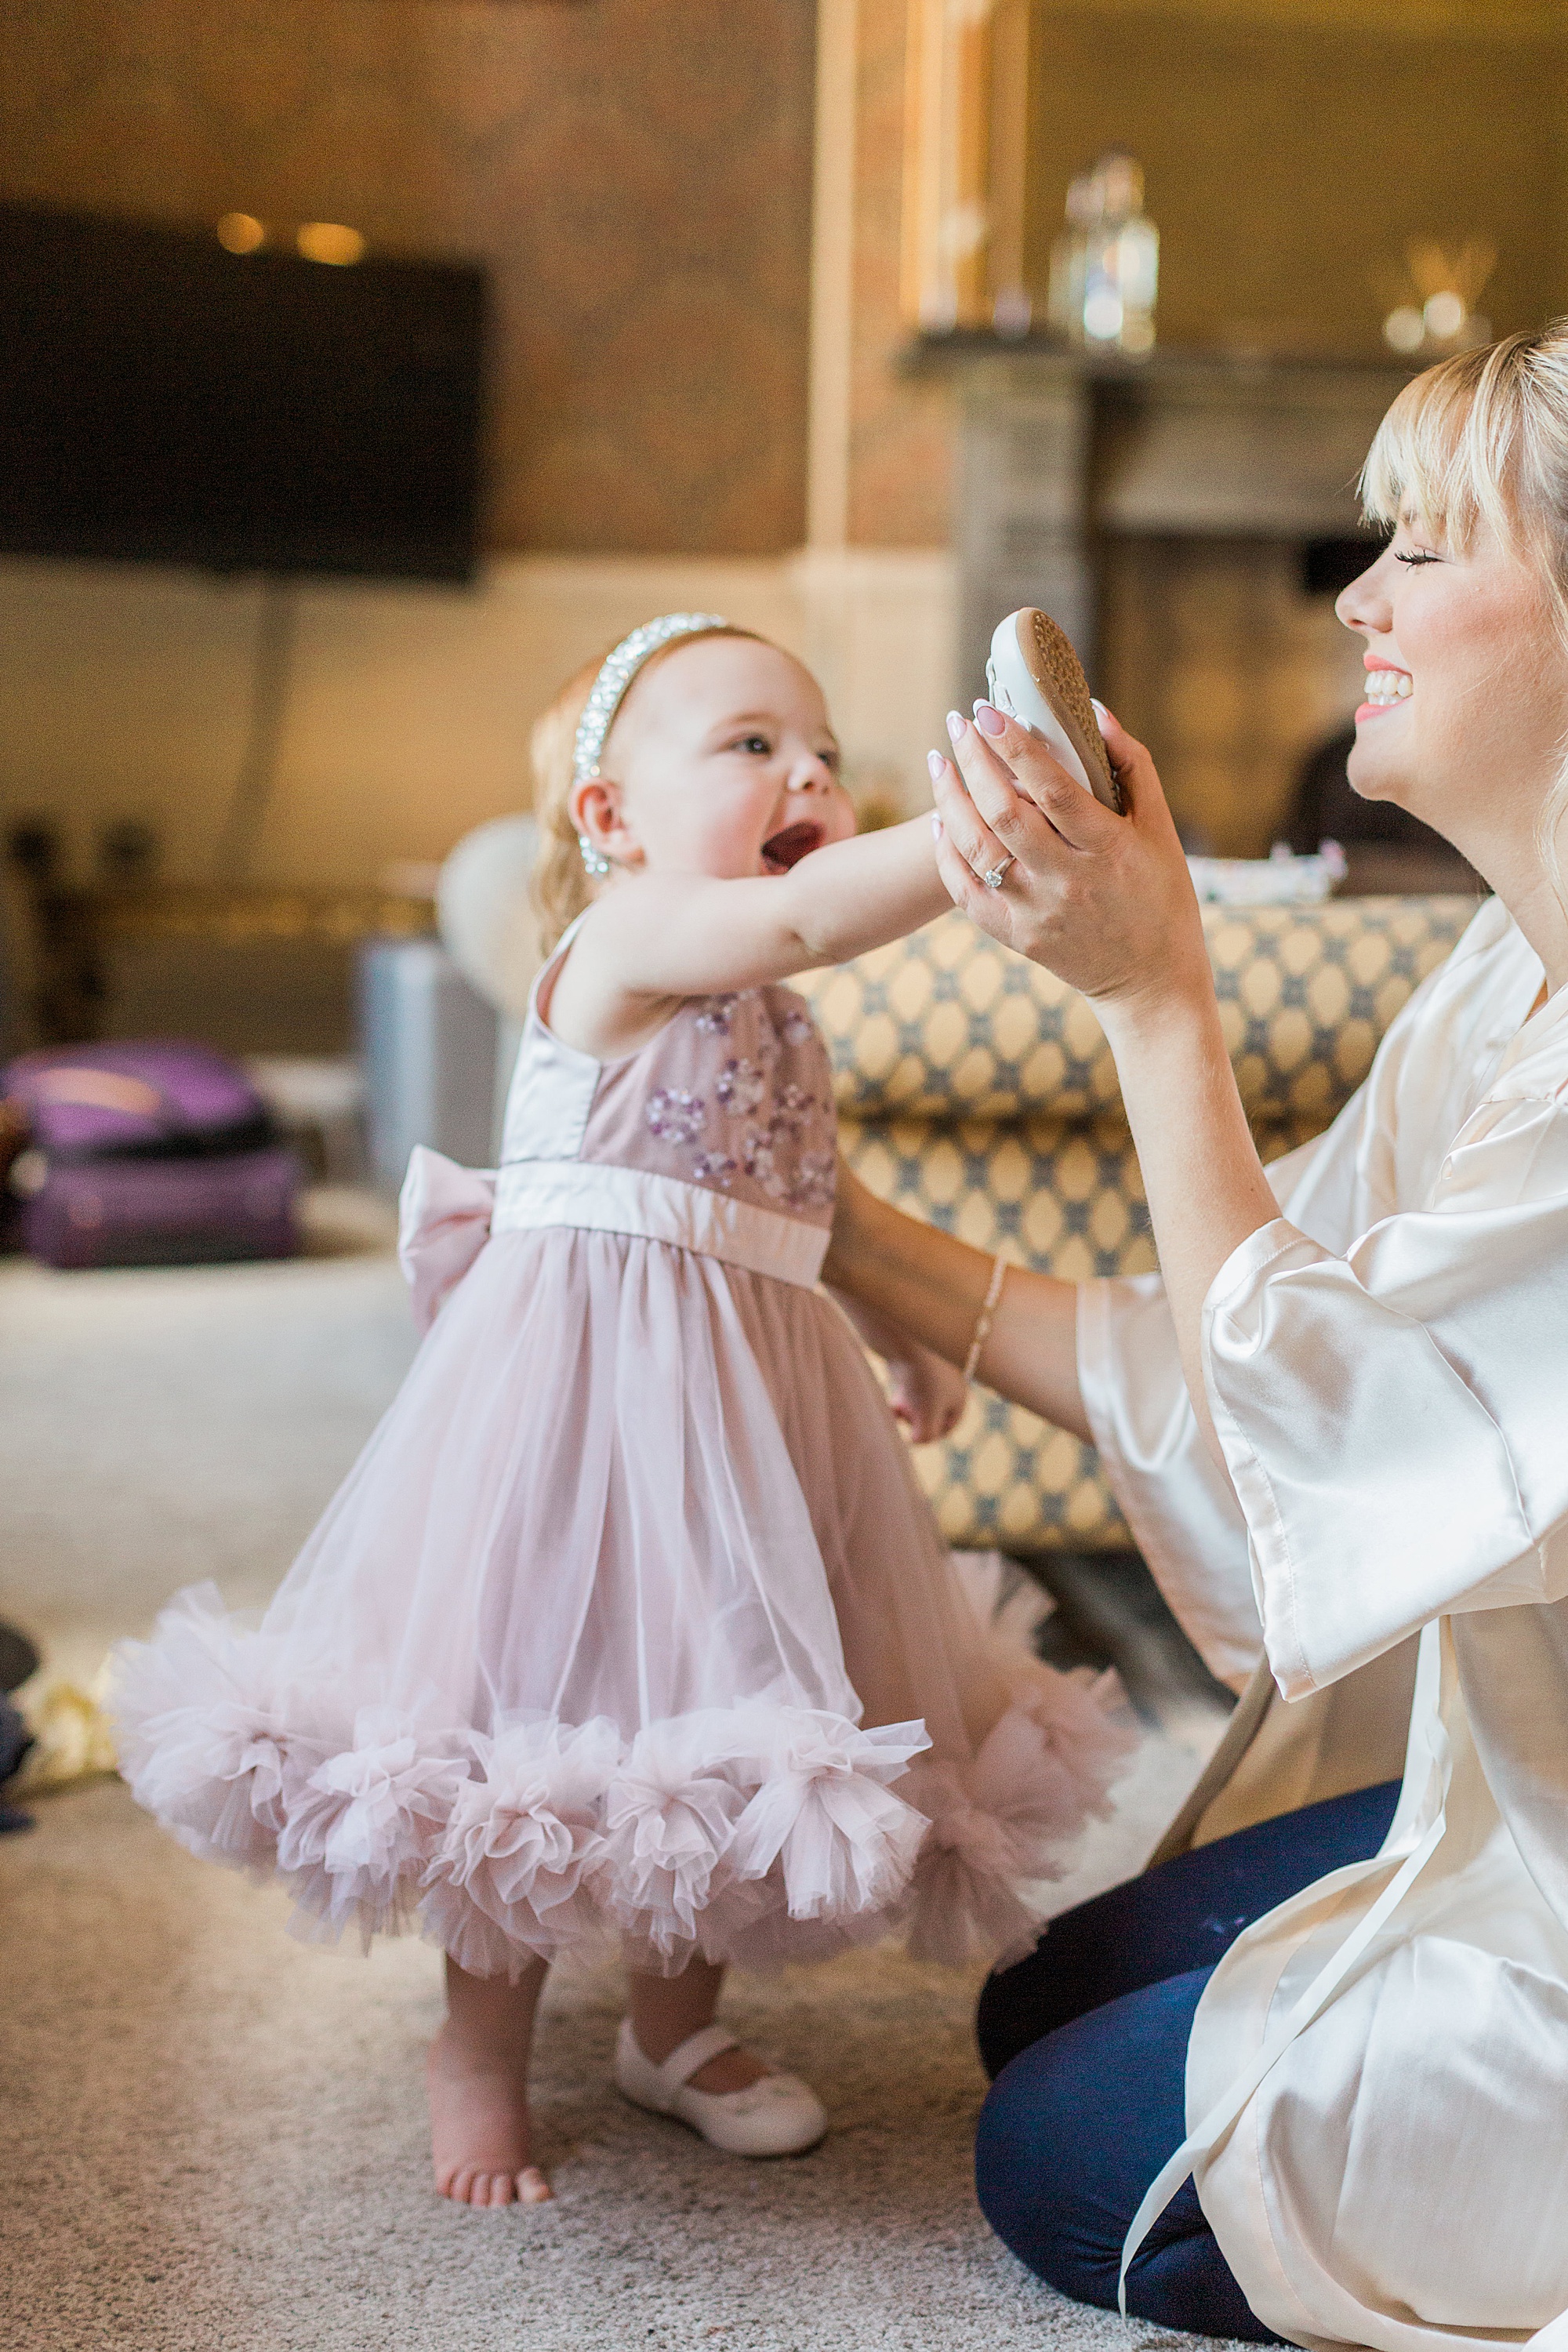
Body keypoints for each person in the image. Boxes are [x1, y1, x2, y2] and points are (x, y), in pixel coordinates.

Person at [111, 615, 1128, 2212]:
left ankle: (677, 2031)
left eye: (820, 755)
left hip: (749, 1429)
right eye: (747, 745)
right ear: (609, 822)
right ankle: (478, 2049)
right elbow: (796, 914)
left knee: (715, 1716)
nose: (803, 771)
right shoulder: (634, 942)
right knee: (530, 1722)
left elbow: (812, 1198)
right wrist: (982, 822)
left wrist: (897, 1335)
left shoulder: (779, 1023)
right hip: (583, 1430)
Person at [822, 326, 1568, 2348]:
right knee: (1056, 1992)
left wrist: (1159, 999)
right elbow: (1219, 1355)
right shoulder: (1501, 975)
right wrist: (818, 1220)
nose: (1359, 595)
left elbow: (1329, 1437)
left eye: (1426, 547)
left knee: (1057, 2156)